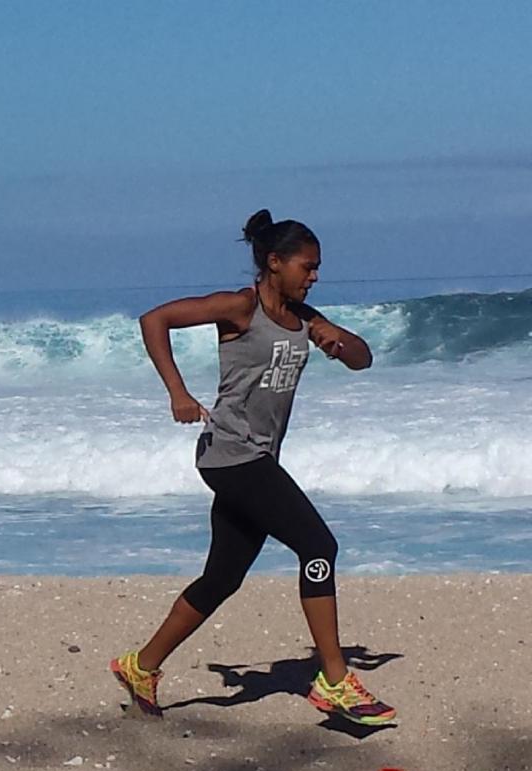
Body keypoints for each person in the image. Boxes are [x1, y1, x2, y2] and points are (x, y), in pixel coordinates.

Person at [111, 210, 395, 726]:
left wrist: (339, 341)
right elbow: (154, 320)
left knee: (222, 577)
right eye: (307, 267)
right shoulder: (241, 308)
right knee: (318, 546)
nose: (314, 277)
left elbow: (364, 358)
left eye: (317, 268)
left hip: (255, 458)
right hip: (231, 455)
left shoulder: (306, 319)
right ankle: (333, 680)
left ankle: (140, 665)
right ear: (274, 262)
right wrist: (178, 392)